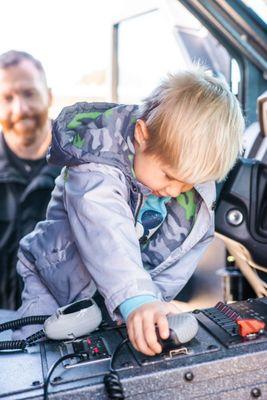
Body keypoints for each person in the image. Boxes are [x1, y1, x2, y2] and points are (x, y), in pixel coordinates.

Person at [14, 68, 244, 356]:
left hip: (120, 303)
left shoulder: (188, 194)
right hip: (52, 284)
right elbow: (105, 233)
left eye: (187, 184)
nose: (174, 191)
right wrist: (138, 299)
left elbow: (179, 256)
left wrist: (152, 304)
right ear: (141, 135)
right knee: (33, 361)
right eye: (169, 176)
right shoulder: (95, 168)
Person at [0, 50, 60, 309]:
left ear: (48, 96)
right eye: (7, 98)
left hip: (71, 329)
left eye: (29, 93)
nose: (20, 108)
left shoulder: (86, 167)